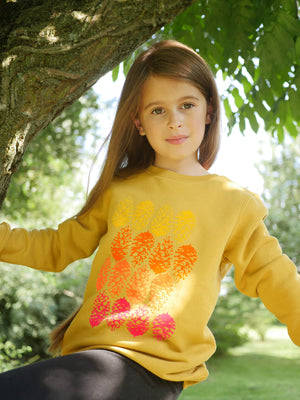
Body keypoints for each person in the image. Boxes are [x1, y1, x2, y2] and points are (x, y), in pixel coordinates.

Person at [0, 40, 299, 400]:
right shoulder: (119, 188)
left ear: (209, 111)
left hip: (152, 370)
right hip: (90, 360)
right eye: (158, 110)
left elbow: (278, 279)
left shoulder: (233, 203)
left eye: (187, 105)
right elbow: (57, 248)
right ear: (138, 122)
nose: (175, 121)